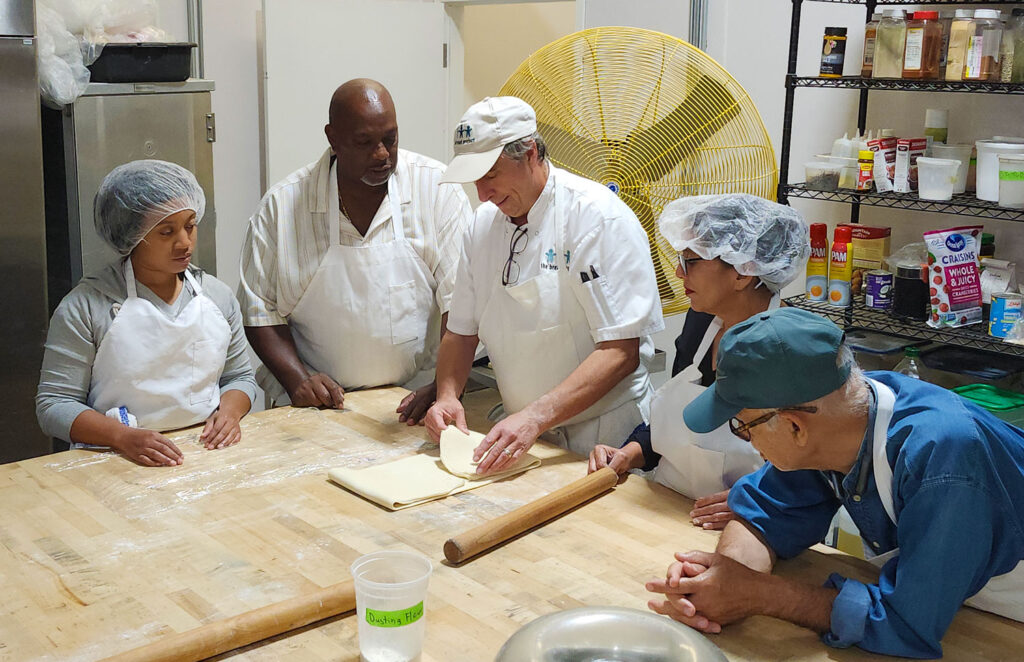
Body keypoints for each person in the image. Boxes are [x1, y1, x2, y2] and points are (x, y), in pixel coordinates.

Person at [645, 308, 1024, 658]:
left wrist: (761, 595)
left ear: (795, 426)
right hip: (955, 601)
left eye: (742, 427)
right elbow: (764, 514)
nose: (747, 439)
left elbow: (905, 624)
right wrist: (722, 582)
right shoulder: (841, 412)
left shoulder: (943, 458)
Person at [424, 96, 664, 475]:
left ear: (531, 152)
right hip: (523, 434)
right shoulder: (482, 226)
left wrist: (535, 417)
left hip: (603, 438)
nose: (482, 195)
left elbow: (620, 351)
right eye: (475, 181)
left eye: (490, 175)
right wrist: (447, 395)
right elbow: (461, 332)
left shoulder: (596, 218)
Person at [239, 79, 472, 422]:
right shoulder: (283, 207)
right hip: (318, 408)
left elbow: (463, 300)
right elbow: (259, 311)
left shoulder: (436, 190)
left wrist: (446, 387)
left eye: (389, 139)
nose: (381, 154)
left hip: (416, 401)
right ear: (333, 138)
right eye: (364, 142)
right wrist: (298, 381)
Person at [588, 194, 809, 531]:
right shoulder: (700, 324)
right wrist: (629, 453)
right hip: (663, 510)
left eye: (691, 261)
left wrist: (759, 501)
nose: (678, 272)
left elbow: (813, 475)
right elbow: (674, 424)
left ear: (743, 273)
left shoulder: (791, 350)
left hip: (746, 530)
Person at [36, 160, 257, 466]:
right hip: (114, 459)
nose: (185, 243)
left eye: (190, 226)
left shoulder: (216, 297)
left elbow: (240, 377)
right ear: (131, 235)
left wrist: (229, 414)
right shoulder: (87, 306)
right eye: (167, 232)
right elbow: (54, 405)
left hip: (206, 453)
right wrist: (120, 437)